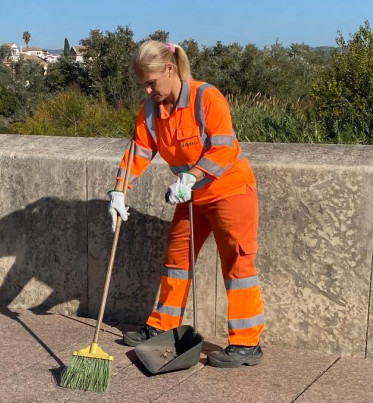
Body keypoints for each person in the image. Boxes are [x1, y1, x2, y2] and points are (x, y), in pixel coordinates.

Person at [110, 40, 266, 367]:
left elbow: (223, 148)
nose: (149, 89)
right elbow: (138, 151)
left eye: (151, 82)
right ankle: (163, 326)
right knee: (177, 260)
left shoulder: (206, 97)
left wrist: (192, 176)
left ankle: (247, 344)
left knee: (238, 266)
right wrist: (119, 191)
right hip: (191, 196)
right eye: (143, 84)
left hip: (230, 190)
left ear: (170, 69)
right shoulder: (152, 110)